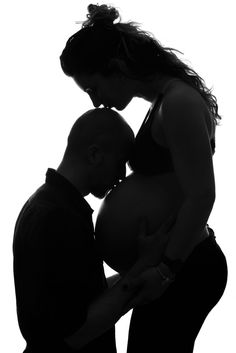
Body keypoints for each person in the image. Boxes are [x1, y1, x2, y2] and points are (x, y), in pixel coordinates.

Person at [59, 4, 228, 352]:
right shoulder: (162, 102)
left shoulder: (178, 102)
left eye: (93, 88)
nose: (96, 102)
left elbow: (202, 195)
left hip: (185, 266)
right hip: (172, 266)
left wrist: (166, 269)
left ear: (116, 69)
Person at [13, 107, 155, 353]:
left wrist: (138, 267)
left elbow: (86, 299)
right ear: (94, 154)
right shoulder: (60, 218)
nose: (122, 176)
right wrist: (144, 266)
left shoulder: (45, 204)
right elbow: (77, 331)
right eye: (120, 163)